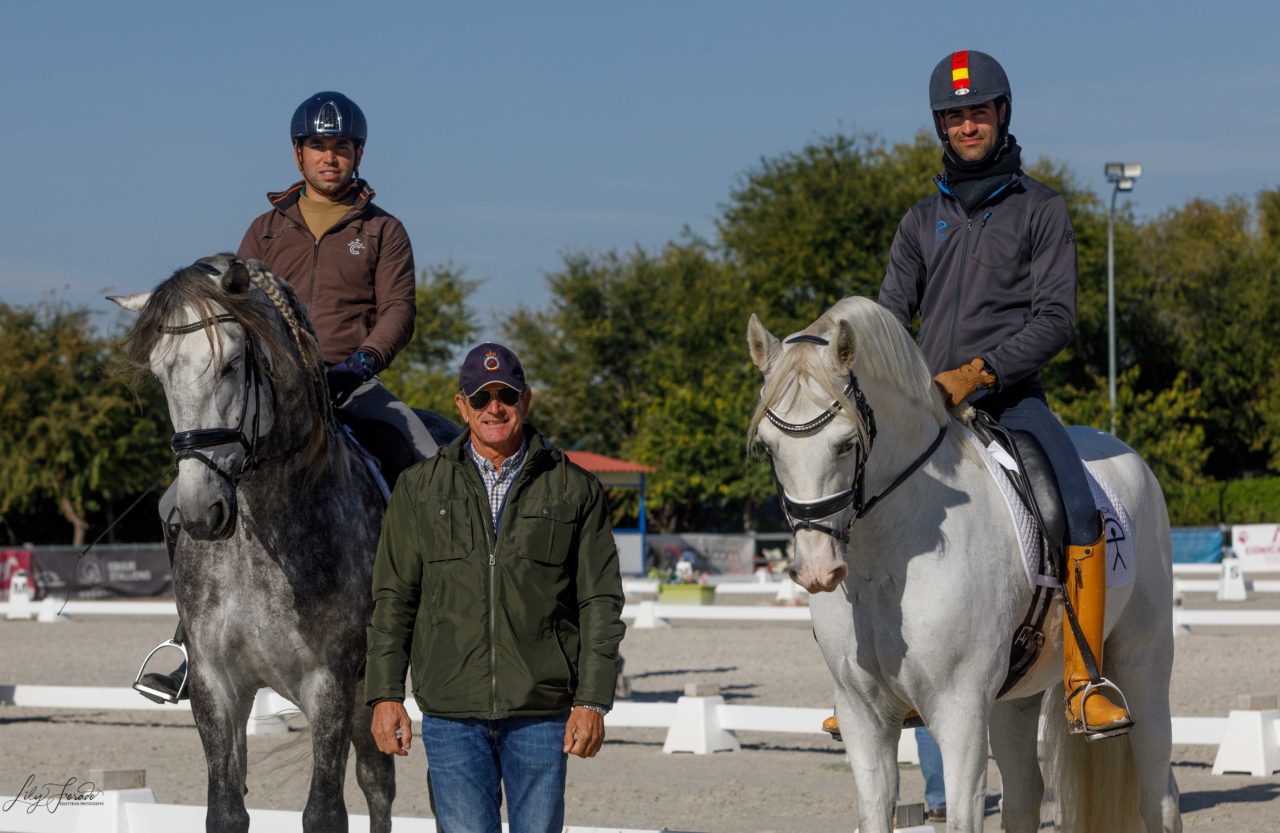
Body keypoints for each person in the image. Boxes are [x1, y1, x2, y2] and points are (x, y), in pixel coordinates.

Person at [134, 91, 437, 705]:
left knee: (427, 457)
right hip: (274, 392)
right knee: (176, 504)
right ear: (299, 154)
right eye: (320, 147)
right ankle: (187, 639)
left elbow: (399, 310)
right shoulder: (265, 229)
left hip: (354, 381)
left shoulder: (383, 229)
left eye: (342, 147)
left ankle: (436, 624)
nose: (331, 157)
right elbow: (234, 308)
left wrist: (364, 361)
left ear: (358, 154)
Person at [877, 49, 1132, 740]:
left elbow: (1055, 317)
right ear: (941, 126)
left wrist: (980, 371)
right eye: (954, 116)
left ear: (1002, 114)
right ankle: (877, 675)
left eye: (977, 112)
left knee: (1075, 508)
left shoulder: (1041, 209)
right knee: (858, 500)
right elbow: (889, 318)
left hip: (1012, 400)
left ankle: (1083, 677)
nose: (967, 125)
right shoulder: (916, 221)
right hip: (929, 407)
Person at [365, 343, 626, 833]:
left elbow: (600, 603)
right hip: (451, 714)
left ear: (525, 401)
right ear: (461, 406)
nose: (494, 407)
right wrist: (384, 693)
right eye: (480, 398)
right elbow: (393, 598)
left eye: (506, 394)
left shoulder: (574, 488)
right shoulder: (419, 488)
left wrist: (592, 701)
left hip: (542, 712)